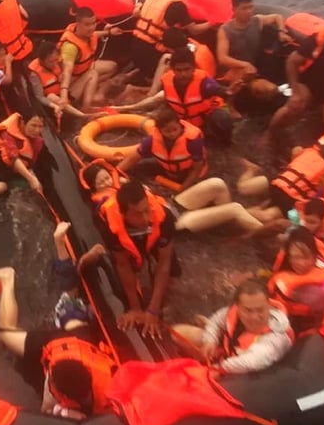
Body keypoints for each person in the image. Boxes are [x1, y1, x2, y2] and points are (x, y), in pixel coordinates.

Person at [0, 248, 117, 419]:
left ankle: (65, 265)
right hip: (55, 343)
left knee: (71, 310)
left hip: (80, 337)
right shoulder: (55, 383)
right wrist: (64, 411)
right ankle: (7, 279)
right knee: (5, 332)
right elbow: (46, 410)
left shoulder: (107, 387)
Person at [237, 107, 324, 223]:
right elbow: (305, 156)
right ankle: (252, 171)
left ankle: (235, 213)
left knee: (267, 216)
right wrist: (297, 151)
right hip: (283, 181)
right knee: (243, 188)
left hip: (298, 196)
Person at [84, 161, 264, 236]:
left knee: (217, 184)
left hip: (171, 205)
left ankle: (225, 226)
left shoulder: (122, 186)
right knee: (235, 208)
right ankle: (273, 235)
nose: (107, 182)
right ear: (94, 188)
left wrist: (125, 182)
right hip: (175, 223)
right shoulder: (109, 204)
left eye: (107, 177)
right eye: (101, 182)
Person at [100, 181, 180, 333]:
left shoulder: (164, 217)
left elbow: (164, 263)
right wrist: (135, 308)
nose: (146, 218)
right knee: (127, 271)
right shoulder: (110, 227)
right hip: (128, 238)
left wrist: (153, 310)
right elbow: (123, 265)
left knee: (173, 272)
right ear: (124, 214)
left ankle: (164, 301)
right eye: (138, 214)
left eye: (147, 210)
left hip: (156, 234)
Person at [115, 48, 239, 144]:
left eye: (187, 69)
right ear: (172, 69)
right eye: (179, 70)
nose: (183, 74)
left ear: (193, 68)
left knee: (222, 118)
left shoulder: (204, 82)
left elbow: (221, 91)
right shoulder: (166, 81)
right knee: (162, 122)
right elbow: (169, 104)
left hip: (205, 120)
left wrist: (229, 92)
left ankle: (225, 142)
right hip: (183, 121)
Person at [172, 279, 293, 374]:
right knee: (176, 332)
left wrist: (219, 368)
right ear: (238, 307)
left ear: (269, 305)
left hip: (246, 374)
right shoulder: (231, 312)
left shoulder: (277, 336)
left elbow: (251, 362)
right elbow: (216, 322)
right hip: (227, 353)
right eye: (248, 310)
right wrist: (210, 341)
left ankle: (202, 366)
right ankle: (201, 359)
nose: (254, 317)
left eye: (260, 310)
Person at [129, 0, 213, 86]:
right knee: (190, 52)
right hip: (151, 53)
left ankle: (138, 75)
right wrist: (213, 23)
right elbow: (194, 30)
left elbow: (138, 6)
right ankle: (155, 85)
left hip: (135, 49)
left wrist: (137, 7)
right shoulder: (177, 5)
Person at [216, 0, 292, 115]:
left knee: (270, 89)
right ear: (234, 9)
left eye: (250, 7)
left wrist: (281, 31)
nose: (249, 11)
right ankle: (230, 104)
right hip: (231, 72)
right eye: (244, 8)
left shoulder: (257, 21)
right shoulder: (225, 30)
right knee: (243, 71)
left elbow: (277, 17)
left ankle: (262, 106)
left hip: (252, 72)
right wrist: (244, 65)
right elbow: (222, 58)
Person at [118, 106, 208, 189]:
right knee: (137, 167)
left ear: (180, 125)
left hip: (190, 173)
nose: (172, 134)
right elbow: (132, 159)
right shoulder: (151, 141)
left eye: (175, 129)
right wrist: (116, 172)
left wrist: (182, 188)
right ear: (160, 131)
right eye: (167, 131)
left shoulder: (193, 141)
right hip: (168, 170)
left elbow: (196, 169)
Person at [56, 7, 121, 109]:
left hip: (82, 72)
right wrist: (63, 96)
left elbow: (95, 34)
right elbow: (66, 72)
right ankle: (87, 106)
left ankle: (89, 88)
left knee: (112, 66)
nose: (91, 28)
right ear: (78, 24)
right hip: (70, 87)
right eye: (87, 24)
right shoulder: (70, 47)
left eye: (93, 23)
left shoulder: (88, 34)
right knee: (92, 73)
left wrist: (109, 32)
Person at [28, 42, 94, 120]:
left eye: (56, 60)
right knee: (51, 96)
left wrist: (63, 76)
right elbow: (39, 97)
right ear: (41, 61)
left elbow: (69, 75)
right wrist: (54, 106)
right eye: (50, 62)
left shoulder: (59, 62)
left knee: (92, 74)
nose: (54, 64)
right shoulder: (34, 74)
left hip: (66, 95)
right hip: (55, 105)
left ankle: (86, 108)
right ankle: (82, 116)